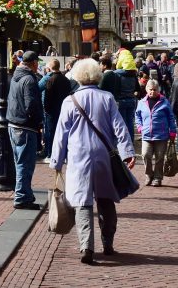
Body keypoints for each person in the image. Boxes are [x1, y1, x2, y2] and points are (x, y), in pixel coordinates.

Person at [50, 58, 136, 265]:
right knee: (105, 198)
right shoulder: (107, 98)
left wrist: (56, 161)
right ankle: (108, 242)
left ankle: (86, 246)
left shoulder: (69, 101)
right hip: (103, 155)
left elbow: (60, 134)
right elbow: (120, 127)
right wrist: (127, 152)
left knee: (82, 202)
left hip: (79, 156)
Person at [7, 51, 43, 209]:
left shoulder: (16, 76)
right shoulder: (29, 79)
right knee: (25, 164)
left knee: (20, 162)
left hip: (14, 124)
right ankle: (22, 197)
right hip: (25, 126)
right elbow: (31, 105)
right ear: (34, 63)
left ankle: (24, 194)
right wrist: (38, 121)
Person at [135, 79, 176, 186]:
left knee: (159, 157)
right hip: (146, 134)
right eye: (150, 89)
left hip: (161, 135)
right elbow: (137, 115)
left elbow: (171, 118)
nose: (152, 92)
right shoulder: (141, 102)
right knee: (145, 154)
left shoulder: (164, 102)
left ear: (158, 90)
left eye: (155, 90)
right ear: (146, 90)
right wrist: (140, 127)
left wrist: (172, 132)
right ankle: (149, 174)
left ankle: (158, 178)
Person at [39, 59, 72, 163]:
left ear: (50, 67)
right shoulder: (65, 79)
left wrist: (46, 109)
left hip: (52, 111)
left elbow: (47, 97)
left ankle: (51, 154)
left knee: (50, 132)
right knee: (64, 132)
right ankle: (64, 154)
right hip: (63, 109)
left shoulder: (50, 79)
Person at [113, 50, 140, 143]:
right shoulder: (134, 74)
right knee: (130, 123)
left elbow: (115, 89)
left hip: (121, 101)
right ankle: (131, 141)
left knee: (121, 123)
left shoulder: (117, 74)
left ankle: (123, 142)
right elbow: (138, 88)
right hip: (131, 100)